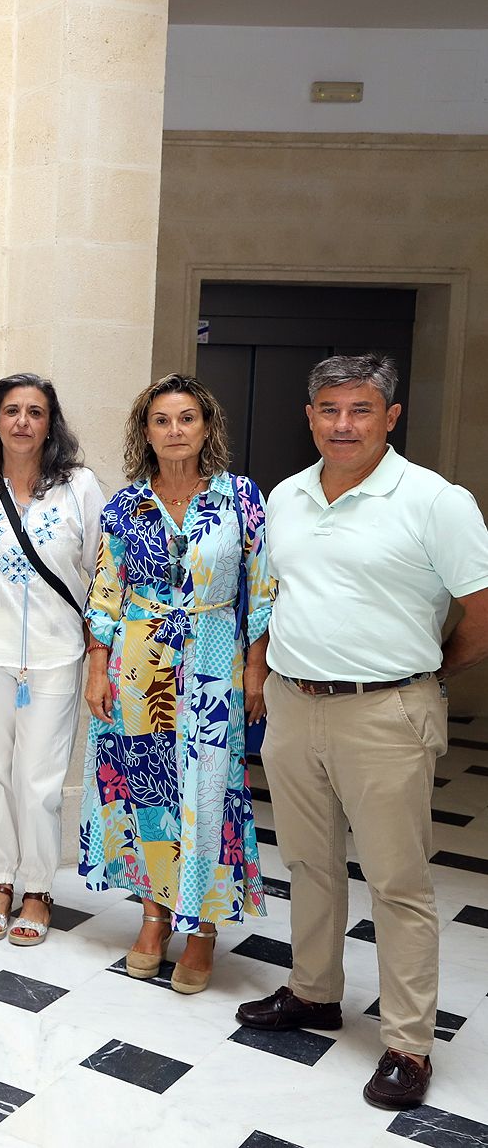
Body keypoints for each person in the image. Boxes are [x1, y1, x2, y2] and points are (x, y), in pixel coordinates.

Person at [236, 354, 488, 1111]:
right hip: (293, 703)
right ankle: (314, 993)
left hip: (387, 712)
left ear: (391, 417)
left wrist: (423, 674)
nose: (343, 424)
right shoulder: (287, 495)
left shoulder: (435, 501)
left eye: (361, 410)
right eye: (329, 410)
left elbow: (480, 612)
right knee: (310, 864)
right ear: (309, 416)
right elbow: (272, 595)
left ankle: (408, 1043)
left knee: (397, 881)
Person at [79, 373, 272, 994]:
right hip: (138, 666)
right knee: (148, 792)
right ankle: (155, 917)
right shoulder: (125, 504)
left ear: (207, 426)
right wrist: (95, 666)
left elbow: (263, 588)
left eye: (186, 418)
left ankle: (206, 929)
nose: (174, 430)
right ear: (146, 432)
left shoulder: (241, 497)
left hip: (214, 659)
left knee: (210, 791)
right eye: (161, 421)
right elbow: (105, 592)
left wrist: (256, 667)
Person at [0, 374, 102, 946]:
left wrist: (95, 652)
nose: (22, 421)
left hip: (55, 654)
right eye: (12, 411)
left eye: (34, 412)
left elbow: (99, 569)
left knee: (38, 780)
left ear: (50, 423)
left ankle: (37, 890)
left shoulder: (80, 488)